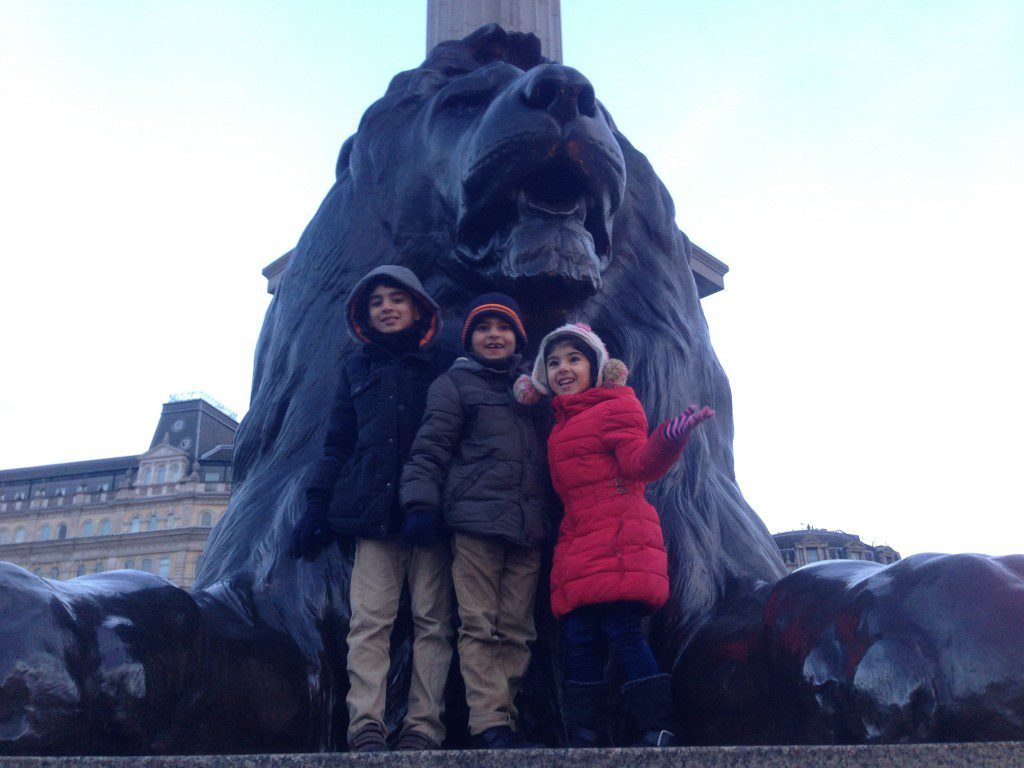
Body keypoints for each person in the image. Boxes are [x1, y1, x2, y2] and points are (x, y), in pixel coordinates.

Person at [515, 322, 714, 748]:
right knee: (580, 640)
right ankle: (585, 733)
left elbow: (640, 463)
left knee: (624, 633)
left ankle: (658, 725)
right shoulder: (559, 422)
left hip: (621, 537)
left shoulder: (617, 405)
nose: (563, 369)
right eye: (553, 363)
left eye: (574, 359)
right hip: (578, 540)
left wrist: (670, 438)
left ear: (596, 367)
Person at [292, 265, 454, 753]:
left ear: (417, 308)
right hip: (373, 515)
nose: (386, 307)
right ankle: (366, 723)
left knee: (434, 622)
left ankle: (424, 726)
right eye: (377, 301)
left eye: (396, 299)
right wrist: (316, 505)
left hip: (431, 516)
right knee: (369, 623)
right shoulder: (355, 369)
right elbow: (337, 443)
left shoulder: (442, 367)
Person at [400, 293, 552, 750]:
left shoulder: (531, 390)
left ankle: (505, 712)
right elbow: (430, 449)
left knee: (518, 629)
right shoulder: (454, 384)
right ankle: (489, 722)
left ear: (517, 338)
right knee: (478, 625)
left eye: (503, 328)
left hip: (528, 527)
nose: (494, 336)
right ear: (470, 339)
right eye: (484, 328)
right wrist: (420, 505)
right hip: (476, 524)